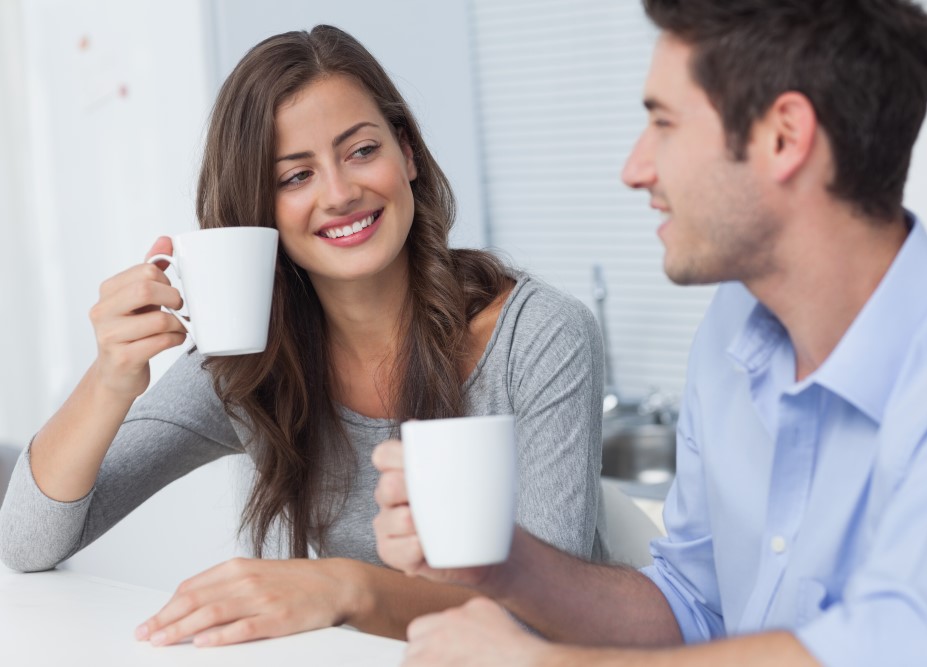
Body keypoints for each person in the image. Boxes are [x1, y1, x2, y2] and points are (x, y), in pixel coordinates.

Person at [373, 0, 927, 665]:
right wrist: (500, 562)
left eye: (664, 123)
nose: (635, 168)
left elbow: (906, 644)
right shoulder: (733, 328)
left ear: (784, 137)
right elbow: (692, 607)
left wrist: (537, 662)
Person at [0, 25, 607, 647]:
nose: (340, 194)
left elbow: (546, 615)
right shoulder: (252, 364)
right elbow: (26, 540)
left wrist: (347, 589)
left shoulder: (538, 336)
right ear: (258, 209)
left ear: (407, 154)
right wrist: (110, 379)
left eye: (362, 151)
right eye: (295, 177)